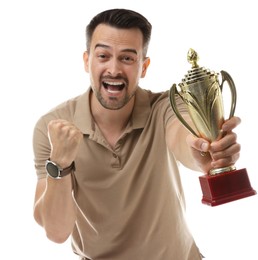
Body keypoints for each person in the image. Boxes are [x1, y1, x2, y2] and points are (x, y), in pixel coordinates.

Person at [32, 8, 241, 260]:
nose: (114, 69)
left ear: (144, 66)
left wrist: (204, 153)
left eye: (128, 58)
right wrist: (60, 164)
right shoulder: (51, 127)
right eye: (103, 55)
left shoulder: (166, 106)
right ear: (87, 61)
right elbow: (56, 232)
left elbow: (182, 134)